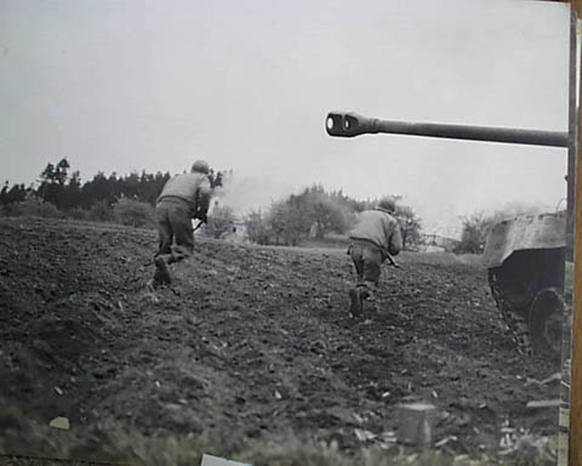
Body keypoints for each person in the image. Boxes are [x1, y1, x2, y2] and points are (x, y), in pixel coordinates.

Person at [152, 160, 213, 286]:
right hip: (179, 207)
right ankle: (164, 261)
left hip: (161, 206)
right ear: (206, 172)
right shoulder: (202, 178)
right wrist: (202, 211)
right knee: (185, 248)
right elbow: (205, 193)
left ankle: (158, 281)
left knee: (164, 246)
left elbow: (165, 193)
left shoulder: (176, 178)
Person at [347, 197, 403, 316]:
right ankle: (359, 293)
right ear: (391, 210)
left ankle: (356, 310)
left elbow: (354, 229)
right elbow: (396, 247)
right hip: (372, 251)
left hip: (354, 248)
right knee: (370, 283)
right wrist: (387, 251)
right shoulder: (391, 221)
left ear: (378, 206)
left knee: (361, 276)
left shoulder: (363, 214)